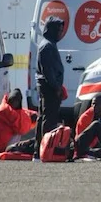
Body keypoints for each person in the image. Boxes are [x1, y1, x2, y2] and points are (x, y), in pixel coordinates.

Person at [34, 16, 65, 160]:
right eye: (58, 30)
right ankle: (44, 150)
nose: (60, 33)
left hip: (49, 86)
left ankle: (39, 151)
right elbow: (48, 71)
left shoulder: (50, 44)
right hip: (49, 87)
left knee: (44, 117)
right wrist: (56, 86)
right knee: (48, 119)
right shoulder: (47, 46)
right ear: (51, 30)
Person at [0, 89, 37, 153]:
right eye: (13, 100)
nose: (15, 103)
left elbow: (22, 112)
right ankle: (12, 150)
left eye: (16, 101)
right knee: (18, 131)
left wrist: (32, 114)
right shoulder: (8, 111)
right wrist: (31, 118)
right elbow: (21, 128)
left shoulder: (4, 106)